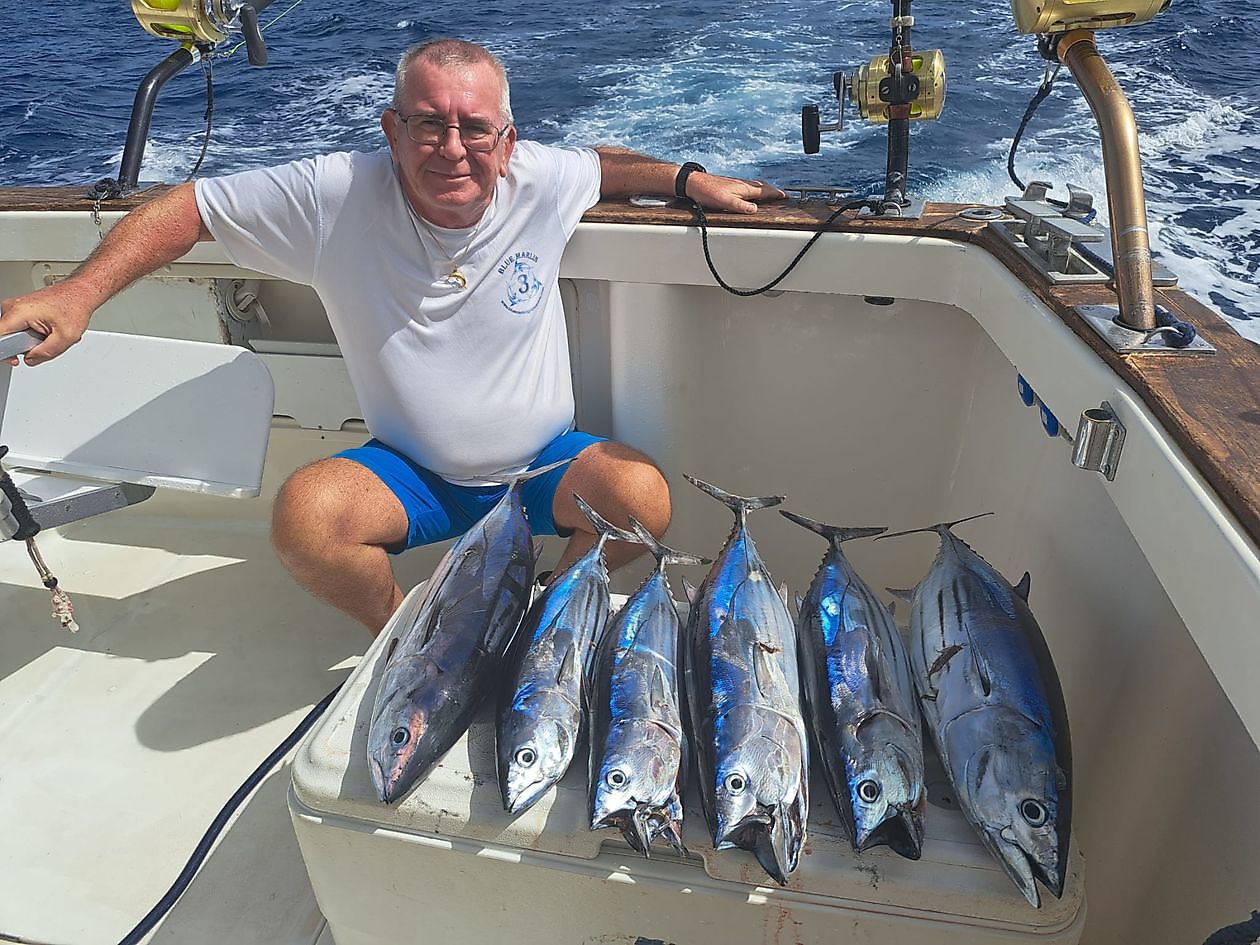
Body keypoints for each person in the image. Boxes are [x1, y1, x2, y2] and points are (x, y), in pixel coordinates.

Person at [0, 38, 785, 634]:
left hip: (544, 467)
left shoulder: (539, 179)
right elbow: (188, 209)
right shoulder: (334, 194)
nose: (453, 147)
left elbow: (604, 166)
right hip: (414, 478)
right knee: (306, 518)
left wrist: (690, 180)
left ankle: (546, 614)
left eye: (475, 128)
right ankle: (410, 634)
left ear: (508, 142)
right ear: (391, 129)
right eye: (428, 124)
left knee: (642, 498)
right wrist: (78, 292)